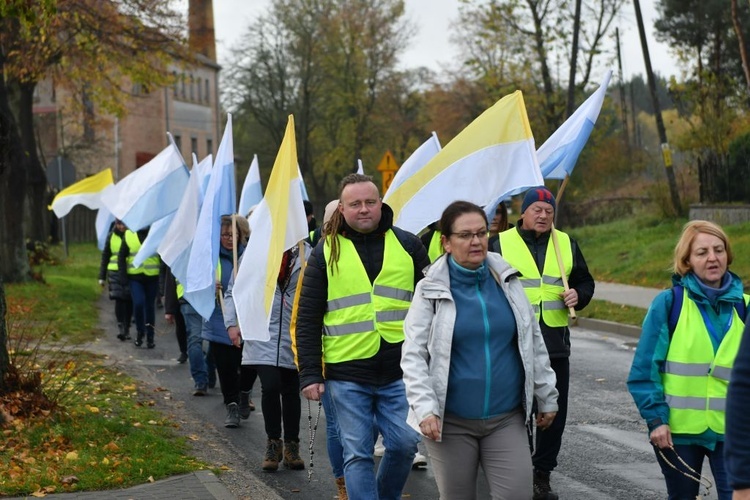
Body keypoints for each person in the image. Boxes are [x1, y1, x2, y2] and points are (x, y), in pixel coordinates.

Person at [401, 200, 559, 499]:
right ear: (446, 242)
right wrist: (425, 409)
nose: (476, 241)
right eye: (465, 235)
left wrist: (546, 394)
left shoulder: (507, 280)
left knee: (517, 495)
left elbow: (532, 340)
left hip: (506, 418)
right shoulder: (430, 290)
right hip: (450, 422)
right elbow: (414, 355)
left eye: (481, 232)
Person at [295, 173, 430, 500]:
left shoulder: (409, 245)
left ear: (381, 203)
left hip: (400, 372)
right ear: (342, 208)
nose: (364, 209)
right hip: (346, 374)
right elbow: (308, 316)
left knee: (404, 444)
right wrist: (310, 374)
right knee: (357, 452)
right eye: (355, 204)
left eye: (370, 202)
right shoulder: (326, 251)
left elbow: (434, 305)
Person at [628, 220, 748, 500]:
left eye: (719, 250)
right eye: (702, 252)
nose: (712, 258)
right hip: (677, 433)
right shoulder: (669, 304)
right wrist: (656, 419)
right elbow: (645, 371)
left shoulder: (745, 306)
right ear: (687, 261)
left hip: (734, 433)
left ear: (727, 255)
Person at [490, 186, 594, 500]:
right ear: (524, 212)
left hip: (554, 344)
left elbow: (584, 280)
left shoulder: (565, 243)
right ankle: (520, 469)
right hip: (511, 344)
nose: (544, 216)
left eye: (549, 212)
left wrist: (579, 295)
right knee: (518, 410)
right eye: (537, 210)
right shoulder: (499, 244)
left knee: (553, 413)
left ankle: (541, 473)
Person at [226, 240, 309, 471]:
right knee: (270, 386)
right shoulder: (256, 252)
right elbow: (235, 289)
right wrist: (232, 323)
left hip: (294, 334)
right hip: (262, 333)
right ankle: (273, 443)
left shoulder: (307, 255)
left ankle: (292, 446)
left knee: (292, 390)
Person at [202, 215, 248, 428]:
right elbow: (195, 285)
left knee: (247, 366)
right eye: (224, 235)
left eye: (233, 234)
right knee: (226, 367)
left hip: (245, 320)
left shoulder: (248, 256)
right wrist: (209, 287)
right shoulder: (210, 258)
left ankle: (244, 393)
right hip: (219, 320)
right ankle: (232, 405)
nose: (228, 239)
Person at [118, 226, 161, 348]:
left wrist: (163, 281)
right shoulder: (129, 234)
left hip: (152, 277)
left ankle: (150, 336)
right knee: (138, 303)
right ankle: (140, 331)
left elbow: (163, 257)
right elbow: (122, 257)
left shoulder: (156, 233)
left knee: (149, 307)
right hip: (135, 277)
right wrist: (123, 277)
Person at [98, 219, 133, 341]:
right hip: (114, 271)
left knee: (128, 299)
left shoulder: (131, 234)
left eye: (123, 224)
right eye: (119, 224)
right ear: (115, 224)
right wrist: (102, 276)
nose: (121, 227)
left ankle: (127, 326)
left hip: (129, 271)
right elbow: (106, 255)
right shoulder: (111, 236)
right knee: (119, 299)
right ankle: (121, 326)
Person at [726, 321, 750, 499]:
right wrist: (743, 481)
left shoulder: (744, 304)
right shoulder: (671, 303)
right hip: (681, 432)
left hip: (722, 430)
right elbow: (744, 386)